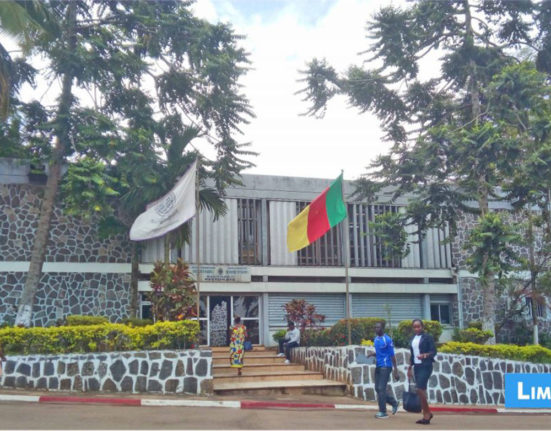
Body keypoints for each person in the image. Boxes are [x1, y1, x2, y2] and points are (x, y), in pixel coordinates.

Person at [407, 319, 437, 425]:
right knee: (421, 390)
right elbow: (412, 354)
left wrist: (425, 355)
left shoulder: (427, 337)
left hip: (426, 365)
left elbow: (433, 351)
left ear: (422, 327)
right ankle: (426, 415)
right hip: (417, 366)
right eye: (415, 327)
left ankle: (427, 413)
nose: (417, 328)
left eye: (418, 326)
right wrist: (410, 368)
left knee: (419, 389)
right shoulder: (413, 338)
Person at [367, 321, 400, 419]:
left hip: (386, 366)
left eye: (378, 327)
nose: (376, 329)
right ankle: (394, 403)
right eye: (375, 327)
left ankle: (383, 412)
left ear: (382, 329)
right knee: (378, 388)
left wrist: (395, 370)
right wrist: (372, 354)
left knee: (381, 388)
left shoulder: (387, 340)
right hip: (378, 366)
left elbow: (392, 355)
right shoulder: (376, 339)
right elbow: (380, 352)